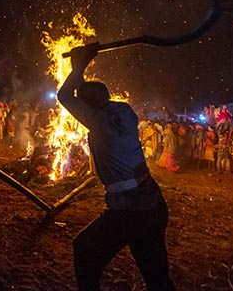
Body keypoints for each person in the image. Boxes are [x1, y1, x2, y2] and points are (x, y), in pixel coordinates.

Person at [57, 44, 175, 291]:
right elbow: (82, 97)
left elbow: (65, 96)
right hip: (151, 202)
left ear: (92, 104)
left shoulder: (101, 123)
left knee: (84, 249)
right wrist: (78, 69)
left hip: (130, 210)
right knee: (155, 273)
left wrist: (81, 64)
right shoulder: (123, 111)